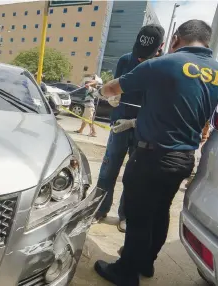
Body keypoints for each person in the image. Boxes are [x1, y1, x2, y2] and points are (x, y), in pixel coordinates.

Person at [92, 20, 218, 286]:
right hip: (184, 158)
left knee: (138, 214)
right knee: (160, 211)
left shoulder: (162, 64)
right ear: (206, 41)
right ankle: (146, 263)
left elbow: (112, 89)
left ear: (176, 38)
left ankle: (125, 272)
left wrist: (102, 91)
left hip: (151, 155)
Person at [94, 24, 165, 233]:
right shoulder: (126, 60)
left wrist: (135, 122)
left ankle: (126, 215)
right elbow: (116, 85)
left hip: (144, 128)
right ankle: (99, 210)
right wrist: (113, 98)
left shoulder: (164, 66)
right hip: (119, 124)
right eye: (139, 54)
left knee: (134, 176)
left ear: (160, 48)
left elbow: (160, 103)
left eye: (147, 55)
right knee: (108, 169)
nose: (141, 59)